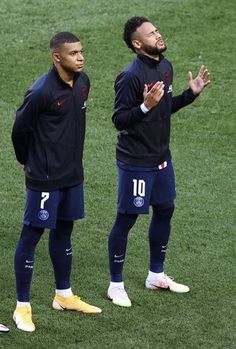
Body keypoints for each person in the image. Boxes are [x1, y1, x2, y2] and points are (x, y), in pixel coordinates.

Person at [107, 16, 210, 307]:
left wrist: (190, 95)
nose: (159, 35)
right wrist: (144, 105)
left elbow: (163, 108)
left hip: (161, 158)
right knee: (126, 220)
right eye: (152, 34)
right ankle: (116, 285)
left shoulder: (165, 67)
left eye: (158, 30)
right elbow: (119, 120)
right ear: (137, 44)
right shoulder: (130, 76)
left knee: (165, 210)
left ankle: (156, 275)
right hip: (136, 161)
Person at [12, 32, 102, 332]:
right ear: (57, 57)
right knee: (32, 235)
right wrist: (29, 162)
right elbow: (19, 131)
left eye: (81, 52)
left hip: (72, 176)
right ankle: (22, 307)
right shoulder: (40, 91)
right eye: (74, 53)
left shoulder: (83, 82)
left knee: (64, 232)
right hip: (45, 179)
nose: (80, 57)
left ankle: (63, 296)